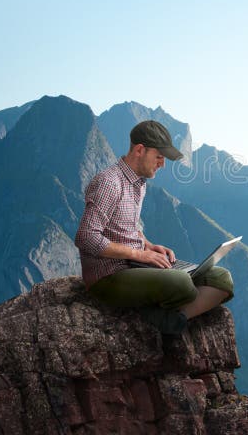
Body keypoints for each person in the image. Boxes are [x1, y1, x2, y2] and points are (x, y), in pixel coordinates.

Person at [74, 120, 234, 329]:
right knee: (183, 284)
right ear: (140, 150)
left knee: (221, 278)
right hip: (109, 276)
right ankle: (158, 312)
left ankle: (171, 319)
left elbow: (126, 227)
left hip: (136, 267)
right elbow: (86, 237)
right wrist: (141, 255)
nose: (163, 164)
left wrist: (148, 245)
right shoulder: (108, 183)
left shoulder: (139, 184)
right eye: (159, 157)